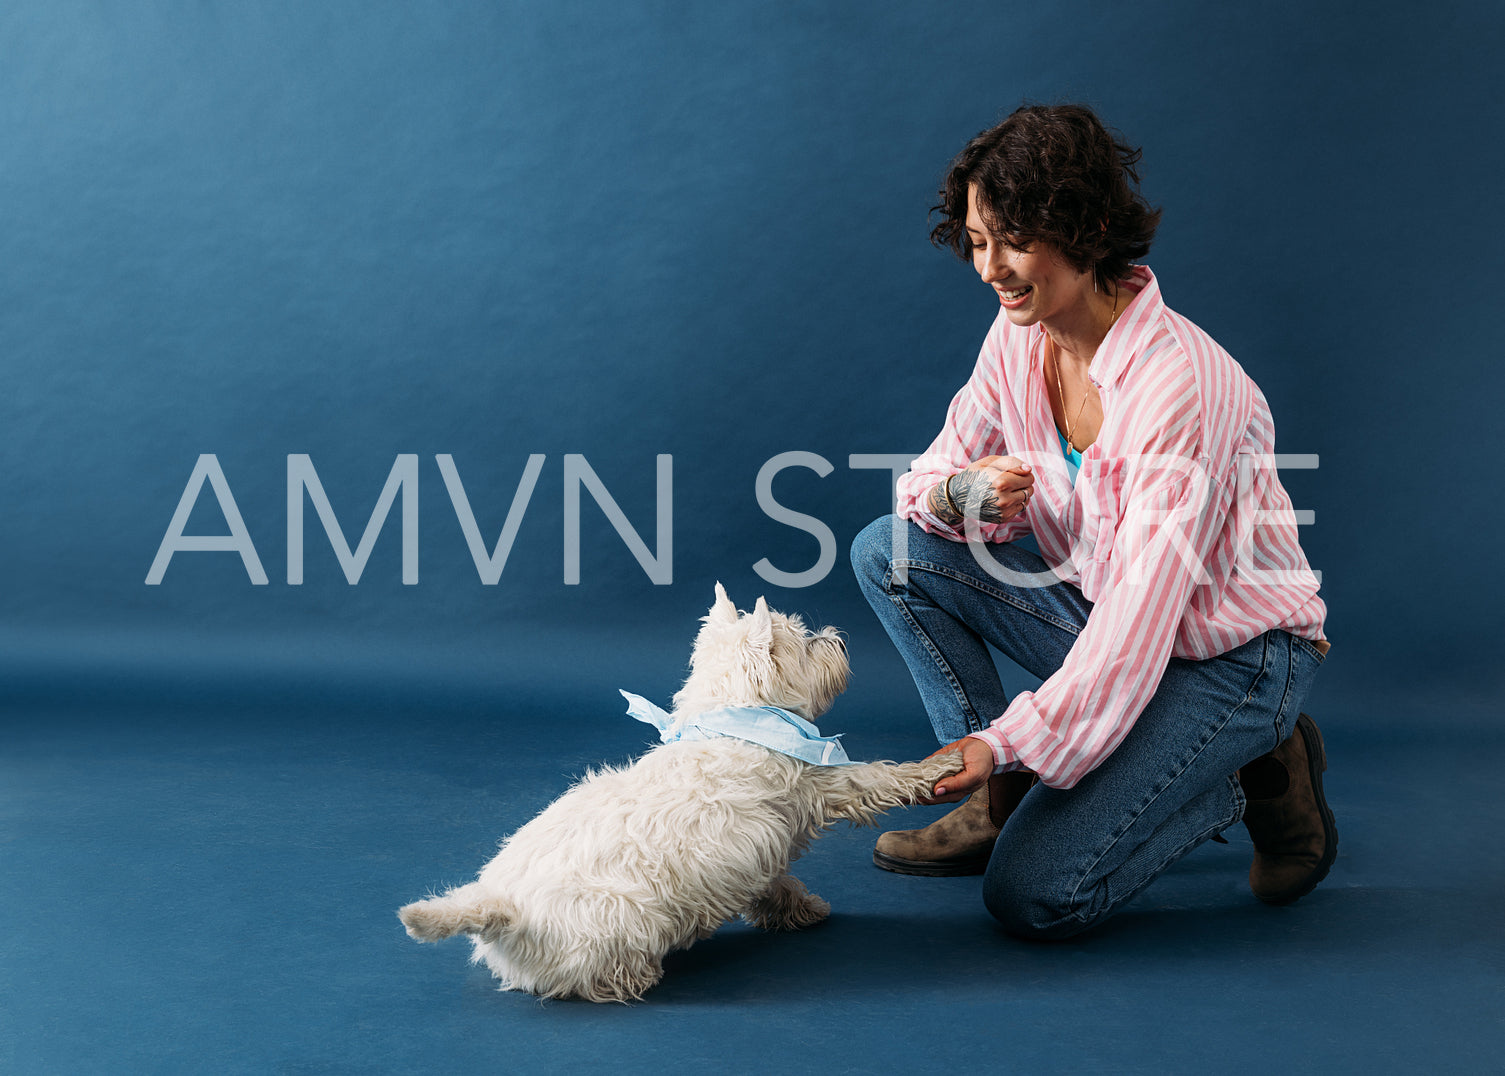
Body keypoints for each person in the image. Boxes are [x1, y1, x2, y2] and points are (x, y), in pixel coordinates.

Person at [851, 103, 1334, 939]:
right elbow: (924, 480)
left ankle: (1242, 767)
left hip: (1229, 659)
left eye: (1012, 239)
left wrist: (1002, 741)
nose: (989, 268)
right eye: (975, 240)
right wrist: (958, 499)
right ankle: (997, 805)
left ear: (1089, 228)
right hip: (1108, 624)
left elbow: (1139, 627)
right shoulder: (1016, 337)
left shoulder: (1179, 386)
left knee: (1031, 898)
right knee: (888, 552)